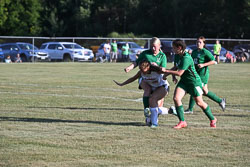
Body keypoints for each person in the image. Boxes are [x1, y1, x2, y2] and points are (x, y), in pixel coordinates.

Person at [161, 39, 217, 129]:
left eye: (174, 48)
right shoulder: (177, 55)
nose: (173, 49)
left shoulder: (186, 58)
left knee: (199, 102)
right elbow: (176, 66)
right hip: (184, 82)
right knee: (176, 98)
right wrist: (168, 75)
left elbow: (179, 73)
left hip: (194, 83)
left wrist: (166, 71)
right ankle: (182, 122)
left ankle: (213, 119)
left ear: (179, 48)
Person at [114, 60, 176, 128]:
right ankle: (169, 111)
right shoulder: (141, 72)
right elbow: (133, 78)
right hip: (153, 88)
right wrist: (122, 84)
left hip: (163, 87)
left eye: (143, 69)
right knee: (153, 106)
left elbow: (169, 71)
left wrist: (175, 75)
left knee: (152, 100)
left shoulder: (157, 70)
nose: (142, 71)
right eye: (140, 69)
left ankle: (154, 123)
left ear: (148, 67)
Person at [124, 37, 167, 117]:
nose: (153, 48)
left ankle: (167, 112)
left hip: (156, 80)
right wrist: (129, 67)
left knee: (157, 104)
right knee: (147, 89)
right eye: (151, 46)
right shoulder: (145, 53)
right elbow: (136, 62)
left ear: (159, 45)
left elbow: (163, 70)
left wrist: (157, 66)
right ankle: (146, 109)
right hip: (145, 78)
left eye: (155, 46)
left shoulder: (162, 56)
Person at [184, 36, 226, 114]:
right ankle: (220, 101)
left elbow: (213, 61)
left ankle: (190, 109)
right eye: (197, 42)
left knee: (195, 88)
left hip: (203, 74)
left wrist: (203, 65)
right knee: (204, 91)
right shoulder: (194, 52)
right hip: (196, 74)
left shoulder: (205, 52)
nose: (198, 43)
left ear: (203, 44)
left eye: (200, 42)